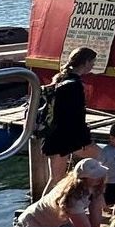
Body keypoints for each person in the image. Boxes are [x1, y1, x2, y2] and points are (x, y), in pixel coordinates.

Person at [12, 167, 107, 227]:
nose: (101, 177)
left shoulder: (93, 188)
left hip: (57, 224)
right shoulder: (71, 198)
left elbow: (94, 213)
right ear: (83, 179)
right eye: (96, 175)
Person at [42, 47, 99, 191]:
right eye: (92, 62)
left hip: (54, 136)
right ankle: (100, 201)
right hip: (67, 138)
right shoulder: (75, 86)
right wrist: (86, 139)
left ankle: (41, 209)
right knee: (105, 159)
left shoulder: (61, 79)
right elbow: (76, 116)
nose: (93, 65)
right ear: (85, 62)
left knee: (55, 178)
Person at [73, 157, 111, 227]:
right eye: (94, 176)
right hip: (49, 224)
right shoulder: (73, 196)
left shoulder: (95, 186)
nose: (99, 178)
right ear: (83, 179)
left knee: (96, 204)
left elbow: (101, 205)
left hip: (69, 218)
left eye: (100, 174)